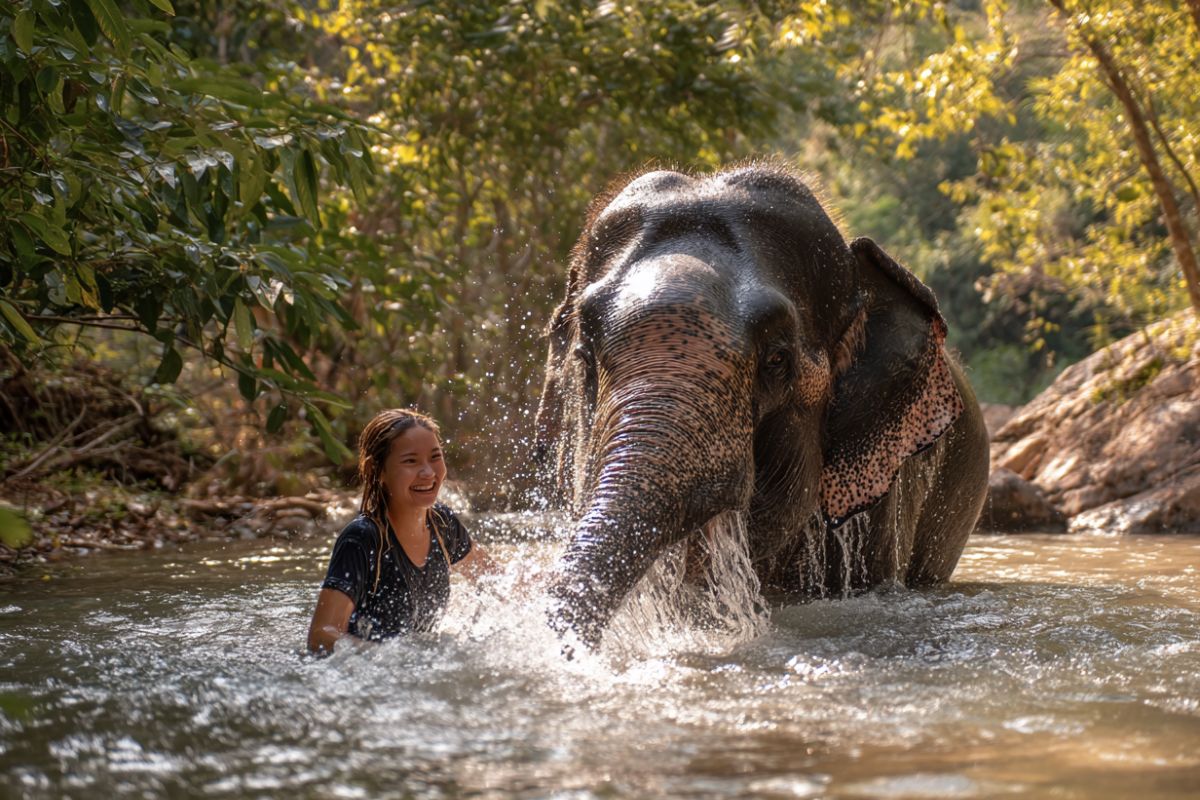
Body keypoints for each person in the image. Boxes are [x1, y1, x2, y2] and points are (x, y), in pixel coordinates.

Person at [307, 408, 493, 654]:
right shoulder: (362, 539)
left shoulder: (442, 523)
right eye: (411, 461)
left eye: (435, 457)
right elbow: (322, 635)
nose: (428, 472)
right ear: (377, 470)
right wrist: (394, 657)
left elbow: (496, 580)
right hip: (368, 682)